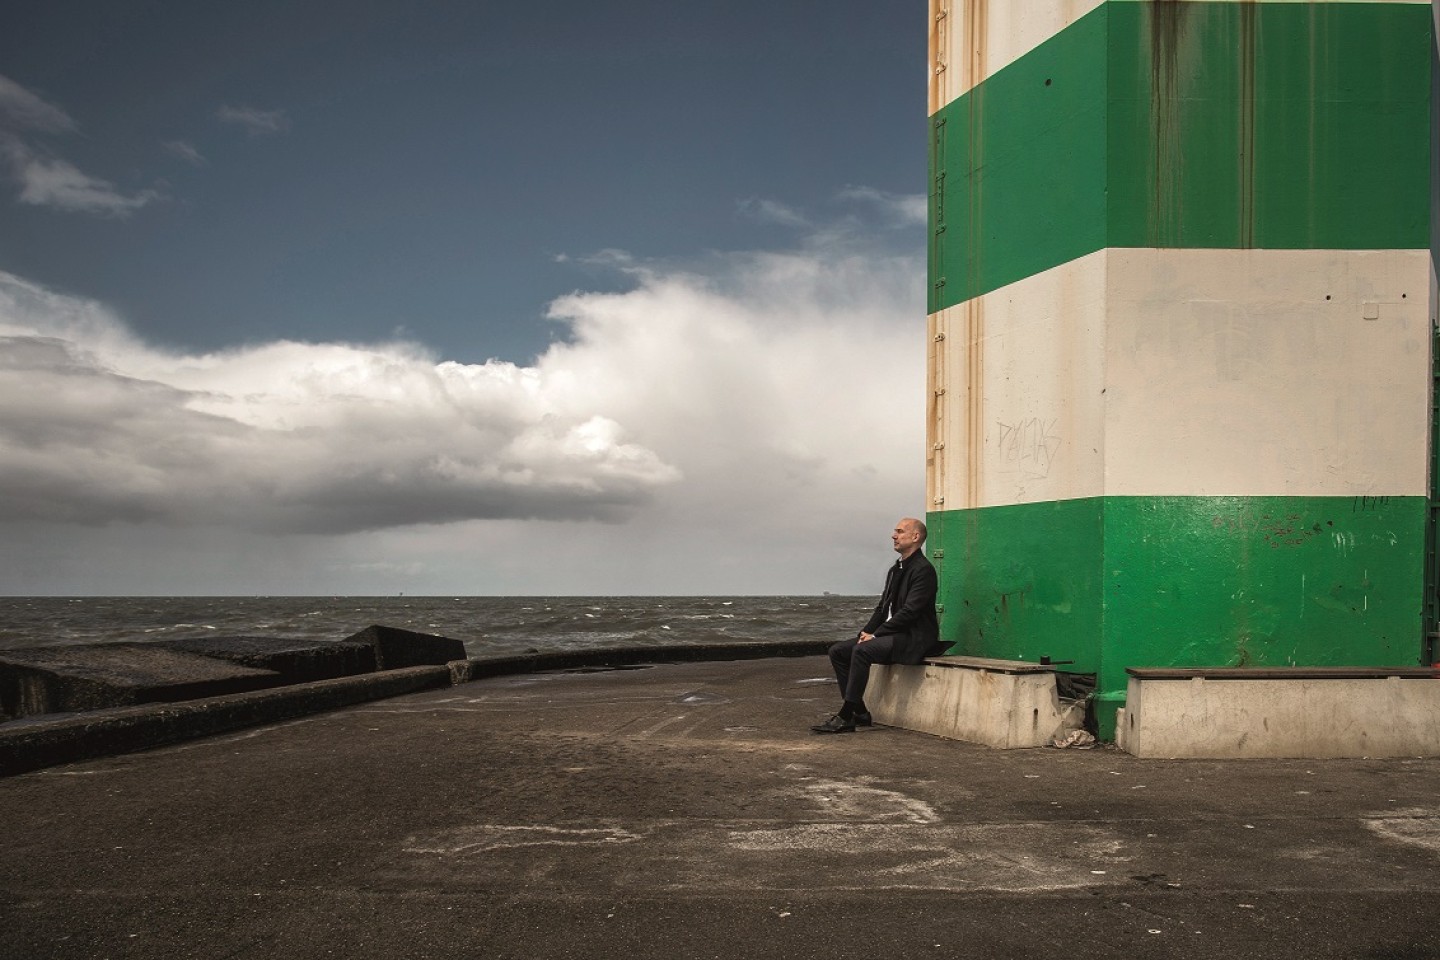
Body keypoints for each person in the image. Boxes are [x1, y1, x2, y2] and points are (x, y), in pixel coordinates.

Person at [811, 517, 941, 734]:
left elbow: (910, 612)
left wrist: (876, 636)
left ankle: (845, 715)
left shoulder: (923, 570)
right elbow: (882, 608)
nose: (894, 535)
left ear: (915, 537)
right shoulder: (895, 569)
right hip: (892, 635)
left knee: (862, 651)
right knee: (839, 651)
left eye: (900, 531)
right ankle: (860, 712)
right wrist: (867, 632)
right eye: (895, 531)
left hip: (914, 637)